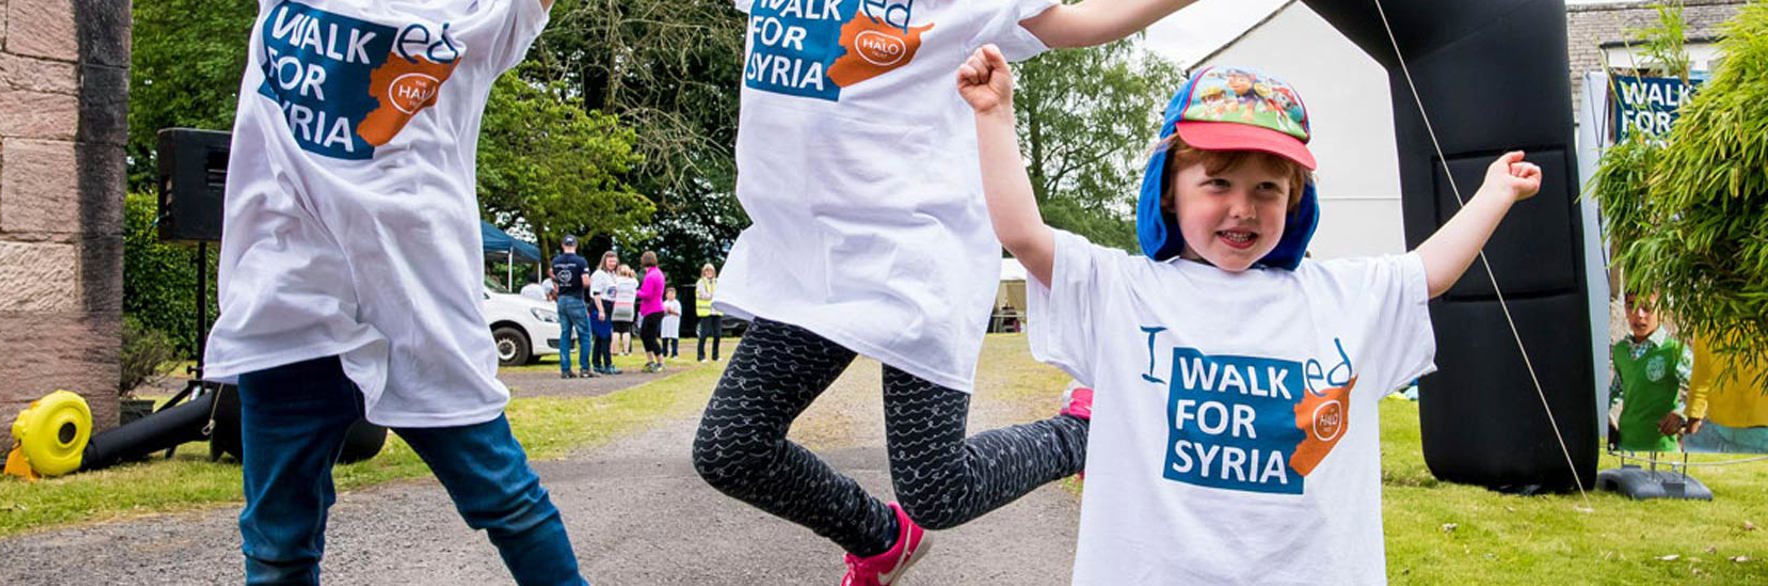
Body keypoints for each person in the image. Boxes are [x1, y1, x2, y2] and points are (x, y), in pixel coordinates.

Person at [963, 54, 1543, 584]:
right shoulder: (1123, 292)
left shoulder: (1340, 297)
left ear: (1295, 202)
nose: (1243, 208)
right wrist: (994, 116)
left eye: (1267, 188)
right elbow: (1023, 234)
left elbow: (1427, 272)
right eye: (1217, 182)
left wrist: (1494, 193)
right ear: (1169, 193)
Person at [692, 1, 1195, 584]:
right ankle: (882, 538)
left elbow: (1081, 24)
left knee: (939, 491)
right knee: (732, 451)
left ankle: (1081, 430)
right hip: (807, 260)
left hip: (914, 256)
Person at [201, 0, 585, 583]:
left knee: (509, 503)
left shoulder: (474, 17)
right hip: (287, 300)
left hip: (419, 309)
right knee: (278, 545)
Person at [1607, 291, 1693, 453]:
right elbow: (1615, 390)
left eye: (1647, 307)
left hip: (1662, 450)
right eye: (1631, 306)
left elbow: (1700, 390)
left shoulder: (1674, 351)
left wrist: (1681, 414)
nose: (1639, 315)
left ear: (1662, 309)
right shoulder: (1620, 350)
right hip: (1626, 447)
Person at [1685, 333, 1768, 453]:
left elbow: (1701, 374)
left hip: (1759, 434)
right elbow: (1702, 373)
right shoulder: (1710, 319)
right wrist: (1693, 419)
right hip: (1718, 430)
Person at [552, 236, 597, 379]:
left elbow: (556, 281)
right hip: (576, 299)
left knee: (565, 334)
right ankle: (584, 368)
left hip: (562, 299)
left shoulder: (556, 261)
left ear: (562, 245)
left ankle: (565, 369)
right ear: (576, 245)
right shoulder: (580, 261)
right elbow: (585, 282)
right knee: (584, 334)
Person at [590, 252, 621, 375]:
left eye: (614, 261)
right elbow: (596, 293)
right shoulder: (599, 275)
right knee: (605, 337)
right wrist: (601, 310)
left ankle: (597, 363)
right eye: (610, 261)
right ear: (604, 261)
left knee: (600, 337)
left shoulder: (612, 275)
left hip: (609, 305)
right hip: (600, 305)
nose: (612, 264)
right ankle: (607, 364)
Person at [637, 252, 668, 373]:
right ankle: (651, 361)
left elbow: (647, 294)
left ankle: (660, 361)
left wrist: (637, 292)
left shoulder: (650, 276)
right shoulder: (658, 273)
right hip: (656, 308)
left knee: (649, 337)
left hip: (652, 309)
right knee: (645, 335)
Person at [694, 263, 722, 361]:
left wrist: (712, 295)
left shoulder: (717, 282)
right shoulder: (701, 282)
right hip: (706, 312)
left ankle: (715, 356)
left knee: (718, 334)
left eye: (711, 271)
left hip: (717, 311)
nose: (709, 272)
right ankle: (701, 356)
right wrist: (713, 295)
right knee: (704, 334)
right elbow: (703, 295)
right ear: (704, 272)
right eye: (707, 270)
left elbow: (721, 294)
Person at [613, 265, 639, 357]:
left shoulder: (617, 280)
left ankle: (614, 350)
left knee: (616, 330)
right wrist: (633, 276)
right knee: (626, 329)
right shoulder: (634, 282)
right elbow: (636, 284)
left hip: (618, 305)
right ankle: (626, 351)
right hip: (629, 307)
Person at [661, 287, 683, 359]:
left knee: (674, 338)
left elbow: (678, 313)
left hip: (674, 322)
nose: (671, 296)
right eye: (669, 294)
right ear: (666, 295)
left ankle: (674, 353)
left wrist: (671, 311)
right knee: (665, 338)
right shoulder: (664, 303)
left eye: (672, 294)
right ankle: (664, 352)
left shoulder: (677, 303)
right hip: (665, 322)